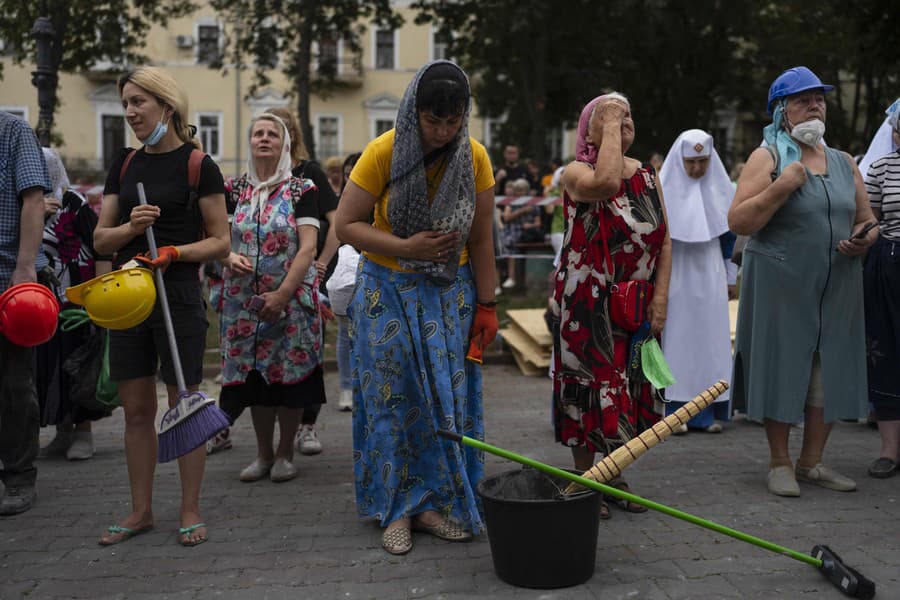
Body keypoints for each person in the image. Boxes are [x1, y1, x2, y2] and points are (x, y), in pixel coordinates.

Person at [335, 60, 498, 555]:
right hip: (386, 291)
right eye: (433, 122)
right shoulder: (382, 152)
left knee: (445, 403)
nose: (442, 133)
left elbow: (482, 237)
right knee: (392, 400)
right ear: (414, 112)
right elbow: (345, 225)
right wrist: (407, 247)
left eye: (452, 123)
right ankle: (397, 508)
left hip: (451, 294)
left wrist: (488, 306)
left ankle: (438, 504)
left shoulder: (474, 157)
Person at [93, 66, 230, 544]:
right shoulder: (125, 165)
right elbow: (99, 239)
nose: (129, 112)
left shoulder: (199, 165)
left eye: (138, 103)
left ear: (166, 107)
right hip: (128, 296)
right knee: (135, 409)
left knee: (184, 402)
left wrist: (175, 252)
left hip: (178, 297)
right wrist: (132, 229)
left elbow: (220, 242)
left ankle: (189, 508)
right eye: (126, 103)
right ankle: (141, 511)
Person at [728, 66, 877, 497]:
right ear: (781, 111)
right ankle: (780, 462)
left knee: (828, 371)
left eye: (820, 99)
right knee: (782, 365)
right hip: (781, 280)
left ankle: (812, 462)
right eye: (802, 100)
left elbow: (867, 219)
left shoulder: (843, 161)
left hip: (838, 282)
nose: (815, 105)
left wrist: (864, 239)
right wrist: (780, 188)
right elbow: (738, 220)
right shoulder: (768, 157)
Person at [550, 92, 671, 520]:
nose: (623, 122)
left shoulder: (649, 176)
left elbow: (664, 238)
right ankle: (587, 482)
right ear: (590, 129)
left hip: (634, 304)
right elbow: (605, 184)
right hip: (588, 303)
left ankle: (615, 475)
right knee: (590, 386)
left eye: (627, 116)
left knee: (630, 386)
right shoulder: (577, 171)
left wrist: (659, 297)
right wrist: (608, 135)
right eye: (610, 117)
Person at [217, 113, 323, 484]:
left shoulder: (301, 189)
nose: (264, 139)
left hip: (290, 301)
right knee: (255, 381)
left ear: (285, 144)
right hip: (243, 305)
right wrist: (227, 257)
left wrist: (282, 294)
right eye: (258, 133)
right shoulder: (232, 190)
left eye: (272, 134)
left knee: (287, 378)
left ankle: (285, 454)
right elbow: (219, 240)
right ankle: (262, 454)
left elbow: (308, 248)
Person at [36, 148, 112, 461]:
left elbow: (99, 247)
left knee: (78, 363)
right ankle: (62, 429)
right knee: (50, 363)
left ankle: (83, 432)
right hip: (41, 302)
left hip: (76, 300)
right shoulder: (25, 205)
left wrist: (101, 297)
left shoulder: (73, 204)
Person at [659, 130, 734, 433]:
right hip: (674, 270)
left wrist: (731, 276)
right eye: (691, 162)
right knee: (677, 340)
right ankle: (673, 412)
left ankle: (706, 413)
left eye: (703, 161)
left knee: (710, 340)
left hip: (710, 269)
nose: (697, 169)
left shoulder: (721, 189)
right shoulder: (663, 190)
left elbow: (730, 234)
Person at [0, 111, 51, 516]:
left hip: (5, 278)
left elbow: (33, 198)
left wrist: (25, 267)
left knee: (13, 384)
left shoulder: (12, 129)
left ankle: (18, 477)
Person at [862, 97, 900, 479]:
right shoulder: (881, 167)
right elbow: (868, 217)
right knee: (885, 353)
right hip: (888, 266)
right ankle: (890, 451)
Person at [325, 151, 362, 413]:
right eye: (347, 173)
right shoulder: (337, 202)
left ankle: (362, 384)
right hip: (343, 273)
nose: (349, 177)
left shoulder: (373, 198)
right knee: (345, 334)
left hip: (369, 266)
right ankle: (347, 387)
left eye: (354, 172)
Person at [500, 178, 542, 289]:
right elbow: (507, 218)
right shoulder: (511, 202)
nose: (519, 192)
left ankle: (512, 277)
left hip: (527, 233)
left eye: (522, 190)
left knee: (509, 242)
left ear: (527, 190)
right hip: (512, 230)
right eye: (517, 190)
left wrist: (530, 225)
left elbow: (538, 224)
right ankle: (509, 277)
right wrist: (522, 211)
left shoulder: (533, 203)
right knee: (505, 242)